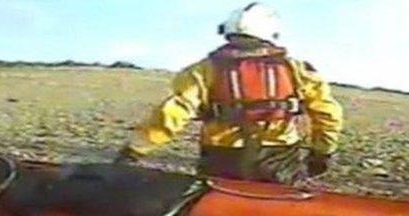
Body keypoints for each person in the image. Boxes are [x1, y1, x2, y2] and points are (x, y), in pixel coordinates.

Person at [117, 3, 343, 185]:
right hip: (278, 158)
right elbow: (328, 112)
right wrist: (322, 152)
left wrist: (136, 150)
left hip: (221, 157)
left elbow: (173, 112)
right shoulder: (298, 70)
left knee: (213, 213)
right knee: (282, 213)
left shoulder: (203, 70)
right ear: (271, 33)